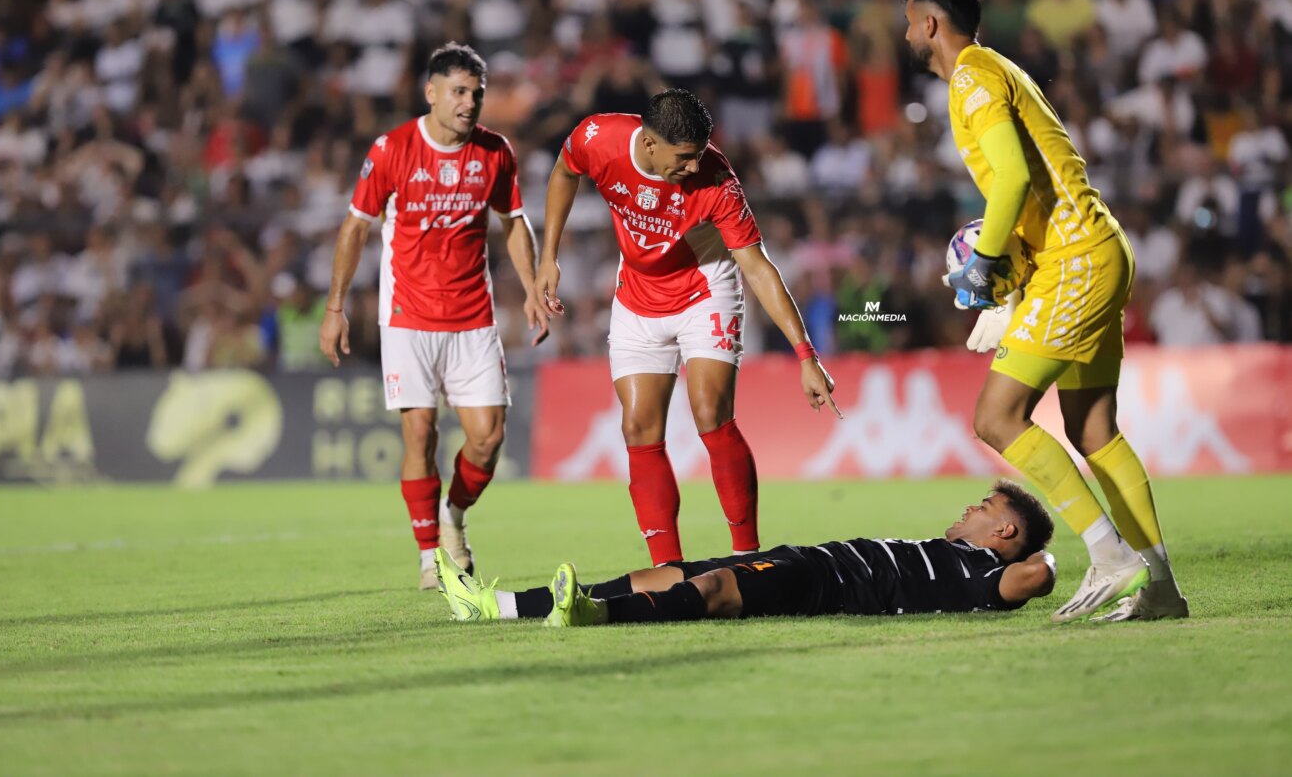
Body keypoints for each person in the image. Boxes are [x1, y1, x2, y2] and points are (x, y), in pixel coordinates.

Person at [901, 0, 1188, 623]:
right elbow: (1030, 182)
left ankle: (1108, 551)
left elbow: (1009, 179)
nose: (906, 35)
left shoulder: (972, 75)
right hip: (1096, 249)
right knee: (1093, 429)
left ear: (930, 24)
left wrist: (983, 266)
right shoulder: (999, 71)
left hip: (1077, 259)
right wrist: (1014, 280)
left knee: (996, 417)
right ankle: (1162, 587)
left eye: (909, 22)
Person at [533, 89, 841, 567]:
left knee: (708, 411)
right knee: (638, 427)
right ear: (650, 145)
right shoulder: (597, 138)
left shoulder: (718, 182)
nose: (695, 167)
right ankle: (668, 570)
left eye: (700, 155)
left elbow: (758, 268)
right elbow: (564, 172)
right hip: (637, 294)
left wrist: (806, 356)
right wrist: (547, 257)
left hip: (705, 291)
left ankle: (748, 559)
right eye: (685, 157)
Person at [319, 42, 550, 590]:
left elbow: (513, 222)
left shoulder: (495, 152)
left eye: (477, 94)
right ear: (432, 93)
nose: (470, 103)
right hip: (408, 316)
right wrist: (335, 308)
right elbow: (355, 228)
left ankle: (453, 516)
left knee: (488, 439)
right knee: (420, 434)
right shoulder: (393, 149)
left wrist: (534, 284)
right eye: (459, 92)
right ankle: (430, 557)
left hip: (473, 316)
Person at [434, 480, 1057, 626]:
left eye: (984, 507)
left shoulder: (981, 579)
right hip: (810, 555)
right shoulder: (938, 550)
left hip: (825, 585)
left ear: (1004, 534)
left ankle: (592, 616)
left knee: (716, 592)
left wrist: (1054, 566)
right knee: (665, 573)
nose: (970, 508)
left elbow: (1031, 578)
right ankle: (497, 606)